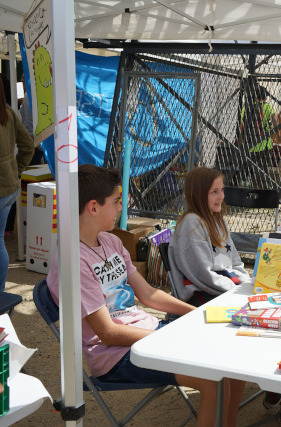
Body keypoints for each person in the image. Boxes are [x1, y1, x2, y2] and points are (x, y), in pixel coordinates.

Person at [46, 164, 245, 427]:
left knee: (232, 358)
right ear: (93, 207)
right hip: (115, 356)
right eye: (117, 202)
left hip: (148, 334)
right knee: (211, 378)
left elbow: (149, 293)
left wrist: (196, 313)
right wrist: (169, 336)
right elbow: (107, 333)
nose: (121, 208)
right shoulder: (73, 261)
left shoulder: (111, 242)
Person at [169, 167, 251, 306]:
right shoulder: (192, 222)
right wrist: (237, 290)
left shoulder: (219, 221)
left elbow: (235, 263)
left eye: (222, 190)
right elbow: (204, 275)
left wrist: (249, 285)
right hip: (201, 296)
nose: (221, 196)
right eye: (214, 192)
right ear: (198, 194)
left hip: (224, 290)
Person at [0, 78, 33, 290]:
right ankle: (2, 294)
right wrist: (15, 171)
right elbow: (28, 146)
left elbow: (27, 147)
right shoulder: (9, 112)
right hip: (9, 188)